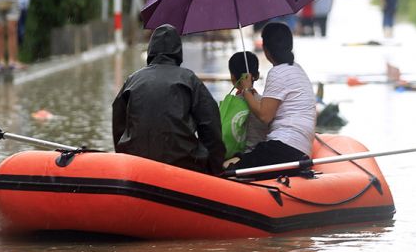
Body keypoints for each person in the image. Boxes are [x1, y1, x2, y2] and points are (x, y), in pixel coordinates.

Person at [112, 24, 225, 175]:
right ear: (178, 51)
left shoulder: (132, 80)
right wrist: (215, 170)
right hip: (183, 164)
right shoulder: (189, 79)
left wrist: (124, 156)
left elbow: (118, 124)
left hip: (136, 164)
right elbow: (211, 127)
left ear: (151, 50)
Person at [235, 22, 316, 173]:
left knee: (232, 167)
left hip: (284, 147)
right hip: (301, 148)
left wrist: (246, 90)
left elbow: (265, 116)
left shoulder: (277, 72)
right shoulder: (296, 69)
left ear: (266, 49)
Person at [227, 51, 268, 156]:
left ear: (232, 77)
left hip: (235, 160)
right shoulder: (266, 105)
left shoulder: (227, 107)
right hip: (263, 157)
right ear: (257, 75)